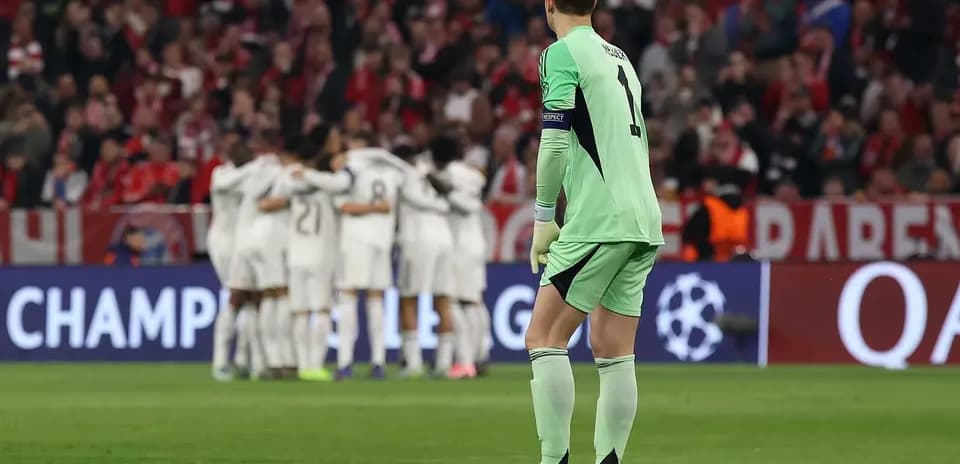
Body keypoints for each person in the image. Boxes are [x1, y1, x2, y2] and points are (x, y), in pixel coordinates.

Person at [525, 1, 664, 463]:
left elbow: (554, 139)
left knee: (543, 336)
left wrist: (544, 216)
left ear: (549, 4)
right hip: (643, 217)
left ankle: (554, 461)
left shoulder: (561, 54)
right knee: (613, 348)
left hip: (600, 216)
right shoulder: (620, 57)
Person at [284, 128, 355, 382]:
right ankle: (314, 364)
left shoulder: (291, 181)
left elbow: (286, 185)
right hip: (320, 256)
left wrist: (303, 173)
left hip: (296, 255)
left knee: (301, 312)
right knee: (321, 310)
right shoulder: (327, 186)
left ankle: (303, 364)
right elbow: (344, 183)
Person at [334, 135, 407, 380]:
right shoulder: (392, 171)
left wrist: (367, 207)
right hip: (382, 241)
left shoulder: (351, 170)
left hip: (355, 240)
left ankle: (344, 362)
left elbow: (344, 206)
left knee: (348, 297)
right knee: (376, 301)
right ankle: (378, 361)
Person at [432, 135, 491, 379]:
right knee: (474, 301)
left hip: (459, 245)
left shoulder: (449, 175)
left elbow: (464, 204)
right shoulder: (474, 175)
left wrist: (442, 189)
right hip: (475, 242)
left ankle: (465, 361)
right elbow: (477, 191)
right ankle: (480, 355)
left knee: (455, 301)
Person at [395, 142, 455, 379]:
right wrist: (439, 205)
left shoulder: (404, 176)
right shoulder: (438, 173)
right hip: (444, 240)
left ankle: (413, 365)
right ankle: (443, 364)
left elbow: (409, 198)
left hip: (417, 241)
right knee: (443, 301)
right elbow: (448, 196)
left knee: (409, 299)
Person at [208, 132, 253, 381]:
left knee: (248, 298)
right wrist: (259, 167)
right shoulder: (222, 174)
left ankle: (243, 359)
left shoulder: (251, 173)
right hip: (225, 243)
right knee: (236, 295)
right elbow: (228, 185)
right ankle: (220, 361)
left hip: (244, 242)